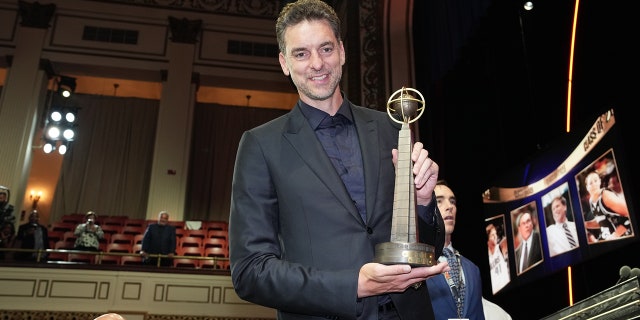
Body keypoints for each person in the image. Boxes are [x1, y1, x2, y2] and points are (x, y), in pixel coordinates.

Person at [229, 1, 448, 319]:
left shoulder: (390, 128)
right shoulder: (260, 146)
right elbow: (250, 272)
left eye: (326, 49)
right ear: (284, 63)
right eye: (301, 53)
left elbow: (426, 250)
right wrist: (353, 285)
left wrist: (424, 204)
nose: (317, 63)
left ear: (342, 52)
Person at [426, 180, 485, 319]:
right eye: (439, 201)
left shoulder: (473, 269)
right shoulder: (416, 263)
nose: (449, 207)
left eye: (452, 201)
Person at [583, 171, 630, 241]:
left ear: (599, 181)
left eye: (595, 180)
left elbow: (630, 215)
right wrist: (585, 224)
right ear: (587, 187)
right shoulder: (591, 201)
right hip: (607, 239)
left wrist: (615, 235)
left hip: (623, 237)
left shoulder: (606, 196)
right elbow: (602, 221)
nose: (594, 184)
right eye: (590, 183)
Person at [486, 223, 510, 294]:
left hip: (507, 285)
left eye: (495, 234)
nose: (495, 236)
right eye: (492, 235)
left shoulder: (499, 247)